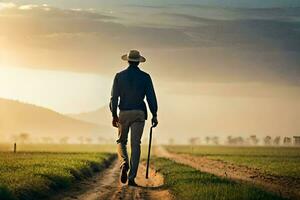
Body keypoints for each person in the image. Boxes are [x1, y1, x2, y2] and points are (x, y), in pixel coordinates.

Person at [110, 50, 158, 186]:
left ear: (128, 61)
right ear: (138, 62)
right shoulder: (145, 77)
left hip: (124, 112)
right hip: (139, 113)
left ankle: (124, 162)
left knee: (121, 141)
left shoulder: (119, 76)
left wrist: (114, 114)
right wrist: (154, 114)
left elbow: (114, 98)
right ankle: (131, 178)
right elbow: (151, 98)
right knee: (135, 144)